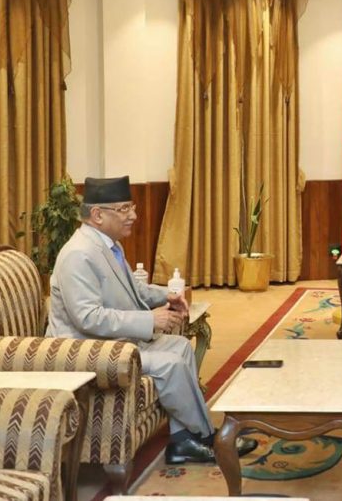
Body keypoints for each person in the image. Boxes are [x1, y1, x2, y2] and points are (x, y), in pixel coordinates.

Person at [47, 176, 257, 464]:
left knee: (180, 348)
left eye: (131, 207)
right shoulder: (78, 255)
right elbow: (88, 318)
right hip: (86, 350)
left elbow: (132, 289)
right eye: (124, 209)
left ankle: (185, 440)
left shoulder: (108, 245)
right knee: (170, 365)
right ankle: (205, 437)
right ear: (97, 215)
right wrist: (150, 320)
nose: (133, 215)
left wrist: (167, 295)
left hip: (111, 342)